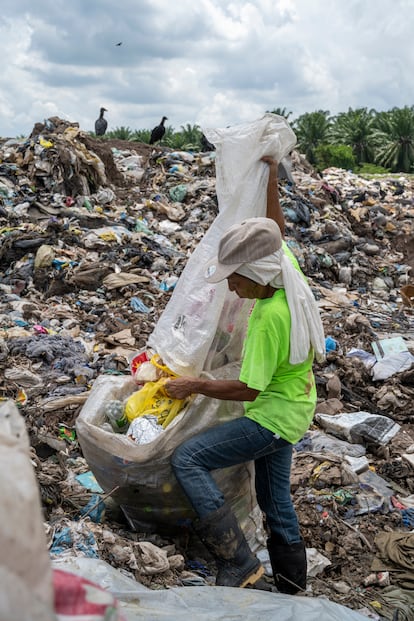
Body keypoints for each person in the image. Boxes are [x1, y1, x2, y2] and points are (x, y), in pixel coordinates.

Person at [166, 156, 325, 593]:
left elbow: (247, 388)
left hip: (271, 416)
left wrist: (193, 385)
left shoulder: (271, 317)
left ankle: (237, 561)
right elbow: (274, 230)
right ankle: (293, 587)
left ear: (255, 274)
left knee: (188, 459)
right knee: (274, 499)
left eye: (235, 279)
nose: (231, 288)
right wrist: (271, 174)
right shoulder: (284, 270)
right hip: (295, 406)